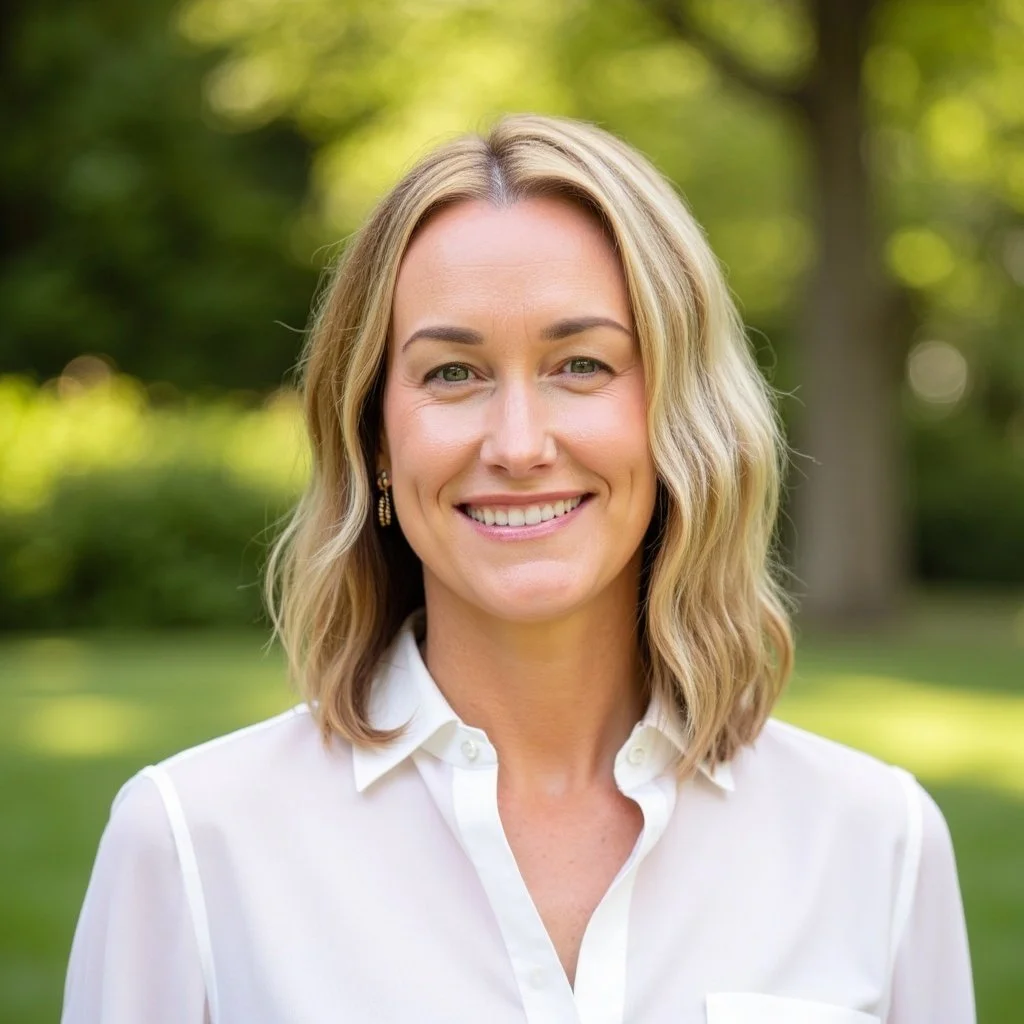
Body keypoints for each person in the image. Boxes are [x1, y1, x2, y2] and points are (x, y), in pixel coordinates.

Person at [61, 114, 975, 1024]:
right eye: (453, 374)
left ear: (679, 418)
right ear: (374, 435)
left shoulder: (877, 843)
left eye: (581, 364)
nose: (518, 443)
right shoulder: (189, 845)